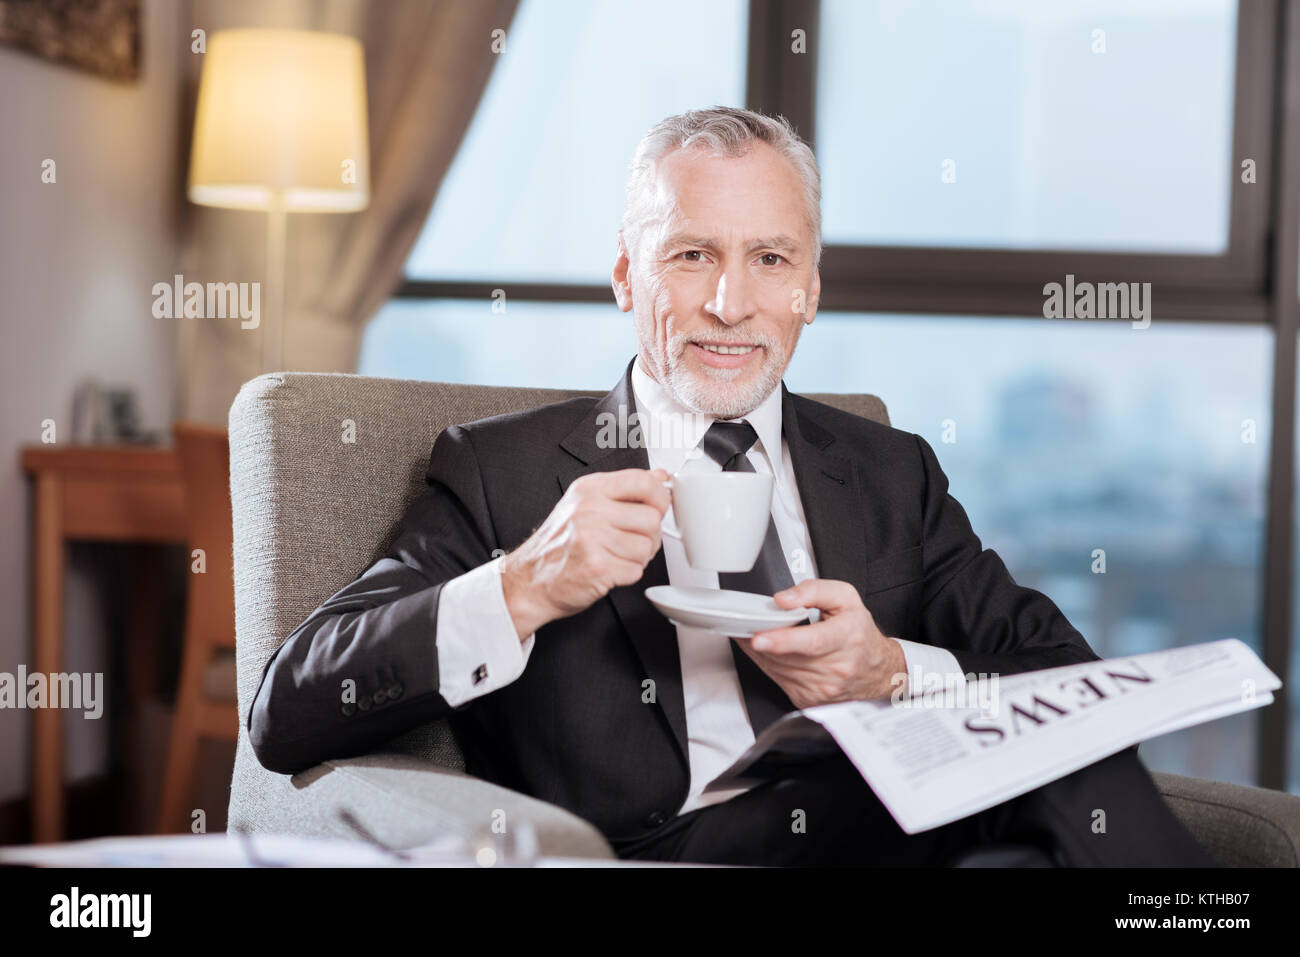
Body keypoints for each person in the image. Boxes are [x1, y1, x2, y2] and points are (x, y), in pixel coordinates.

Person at [247, 106, 1214, 867]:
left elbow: (1069, 679)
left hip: (893, 833)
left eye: (770, 258)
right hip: (660, 848)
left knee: (1049, 778)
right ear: (628, 275)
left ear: (810, 291)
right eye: (693, 253)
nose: (729, 302)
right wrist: (523, 583)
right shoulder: (505, 472)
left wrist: (890, 675)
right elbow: (286, 710)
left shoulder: (888, 467)